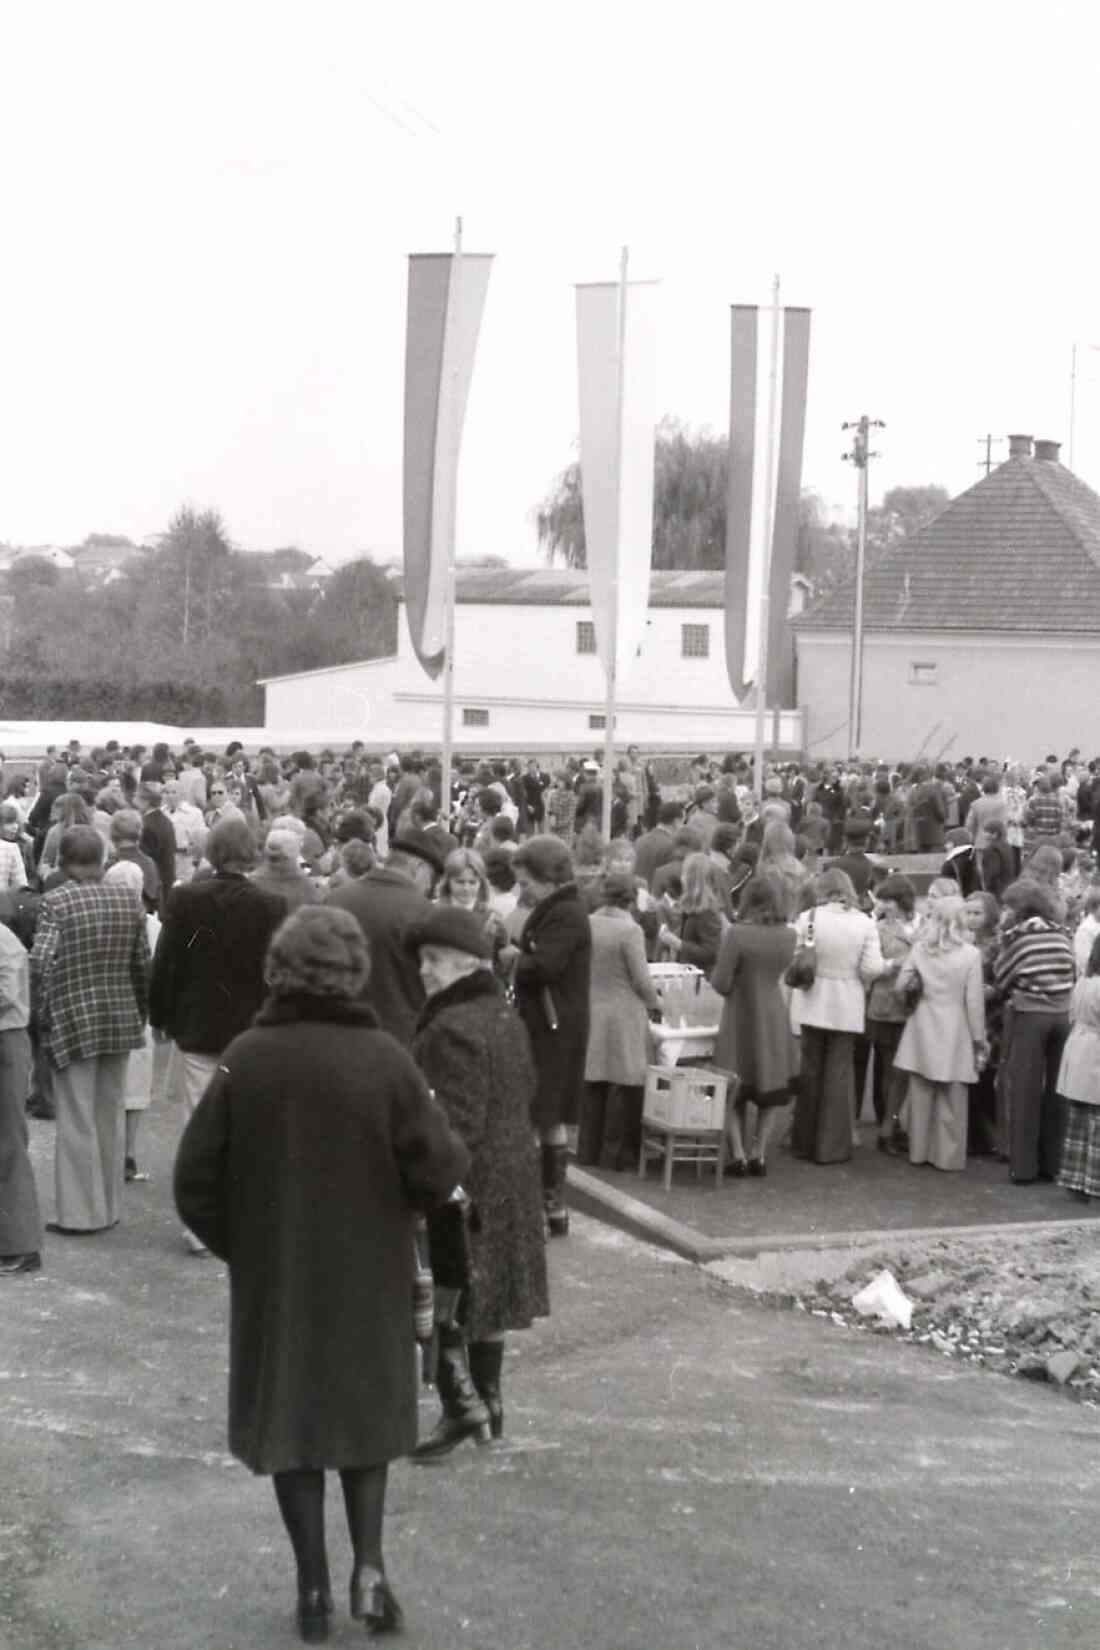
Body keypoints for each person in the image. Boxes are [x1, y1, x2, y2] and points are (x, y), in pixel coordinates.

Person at [174, 905, 467, 1641]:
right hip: (370, 1273)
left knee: (294, 1427)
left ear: (280, 970)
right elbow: (439, 1171)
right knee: (364, 1424)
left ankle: (311, 1589)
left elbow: (194, 1182)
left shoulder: (248, 1057)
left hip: (281, 1279)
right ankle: (369, 1568)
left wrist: (248, 1244)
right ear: (354, 974)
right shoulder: (389, 1061)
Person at [407, 905, 549, 1457]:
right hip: (512, 1172)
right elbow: (527, 1088)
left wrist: (430, 1178)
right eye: (422, 962)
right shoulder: (503, 1015)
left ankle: (461, 1408)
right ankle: (489, 1406)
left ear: (468, 965)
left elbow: (456, 1121)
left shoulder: (451, 1027)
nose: (424, 972)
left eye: (435, 962)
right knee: (485, 1300)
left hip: (468, 1183)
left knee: (446, 1295)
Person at [150, 818, 286, 1253]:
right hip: (252, 1029)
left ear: (211, 850)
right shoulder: (271, 905)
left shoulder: (186, 898)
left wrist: (160, 1016)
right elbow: (276, 972)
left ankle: (199, 1226)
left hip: (198, 1024)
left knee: (197, 1120)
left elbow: (167, 962)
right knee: (247, 1121)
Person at [30, 826, 150, 1235]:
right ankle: (110, 1206)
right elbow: (141, 965)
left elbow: (41, 962)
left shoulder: (56, 902)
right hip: (119, 1016)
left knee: (77, 1117)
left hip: (73, 1018)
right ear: (101, 858)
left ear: (64, 861)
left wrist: (43, 1013)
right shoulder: (127, 899)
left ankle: (82, 1214)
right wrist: (140, 1011)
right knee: (109, 1113)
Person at [499, 835, 591, 1237]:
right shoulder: (560, 908)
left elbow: (546, 965)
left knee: (543, 1112)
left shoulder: (566, 913)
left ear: (548, 876)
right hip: (553, 1022)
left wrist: (512, 956)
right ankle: (549, 1206)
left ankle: (544, 1205)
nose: (523, 890)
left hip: (553, 1026)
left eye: (526, 882)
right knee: (546, 1113)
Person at [790, 867, 890, 1165]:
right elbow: (872, 968)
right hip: (847, 1000)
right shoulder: (864, 923)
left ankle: (803, 1141)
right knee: (838, 1074)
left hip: (811, 998)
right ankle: (831, 1146)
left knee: (810, 1071)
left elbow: (794, 958)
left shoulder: (808, 918)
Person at [710, 873, 797, 1175]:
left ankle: (737, 1152)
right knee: (771, 1086)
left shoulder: (737, 933)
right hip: (773, 1012)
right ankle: (759, 1151)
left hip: (740, 1013)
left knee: (734, 1086)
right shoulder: (789, 935)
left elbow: (720, 982)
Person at [893, 895, 986, 1171]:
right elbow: (973, 1002)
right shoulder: (971, 954)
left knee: (920, 1090)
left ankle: (918, 1151)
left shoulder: (921, 949)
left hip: (922, 1021)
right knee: (953, 1096)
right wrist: (978, 1038)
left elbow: (901, 985)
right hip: (956, 1026)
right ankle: (948, 1157)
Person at [994, 878, 1075, 1185]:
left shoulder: (1018, 938)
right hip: (1062, 1016)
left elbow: (1002, 977)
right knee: (1057, 1091)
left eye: (1007, 906)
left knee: (1025, 1090)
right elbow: (1073, 972)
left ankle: (1023, 1167)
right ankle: (1051, 1164)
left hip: (1031, 1015)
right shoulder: (1061, 935)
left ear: (1019, 909)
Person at [326, 834, 442, 1046]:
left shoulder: (335, 899)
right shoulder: (425, 912)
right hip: (400, 1040)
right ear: (418, 867)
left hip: (338, 1033)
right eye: (431, 878)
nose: (429, 887)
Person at [579, 870, 660, 1171]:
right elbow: (641, 980)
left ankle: (587, 1152)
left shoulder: (589, 923)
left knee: (593, 1083)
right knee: (622, 1085)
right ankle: (612, 1156)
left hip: (593, 1006)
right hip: (623, 1012)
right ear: (632, 897)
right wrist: (656, 1001)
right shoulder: (630, 931)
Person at [0, 920, 42, 1275]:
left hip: (6, 1041)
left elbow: (5, 995)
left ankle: (22, 1245)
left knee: (10, 1143)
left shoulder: (3, 940)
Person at [1055, 931, 1100, 1203]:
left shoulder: (1084, 980)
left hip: (1079, 1048)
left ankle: (1074, 1180)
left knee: (1079, 1121)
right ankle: (1094, 1183)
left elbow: (1072, 1014)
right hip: (1096, 1053)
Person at [658, 852, 726, 970]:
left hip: (700, 977)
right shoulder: (693, 905)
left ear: (693, 879)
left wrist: (679, 944)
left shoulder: (708, 911)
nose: (682, 878)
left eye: (685, 874)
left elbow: (711, 953)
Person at [251, 829, 320, 915]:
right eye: (273, 858)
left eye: (276, 858)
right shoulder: (306, 885)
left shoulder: (251, 882)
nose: (276, 864)